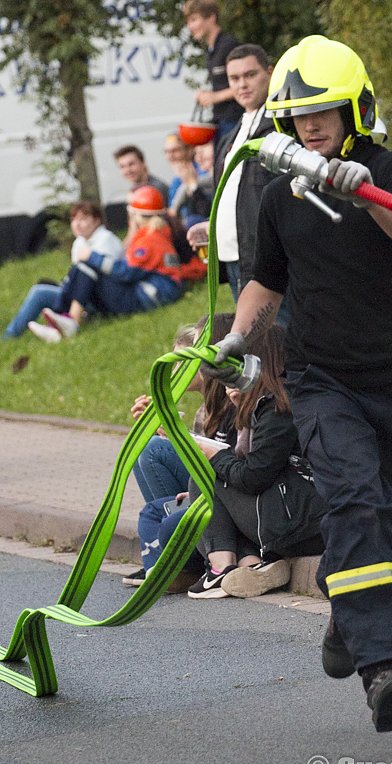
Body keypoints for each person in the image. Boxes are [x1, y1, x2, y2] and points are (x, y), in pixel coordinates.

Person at [204, 35, 392, 732]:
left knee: (378, 519)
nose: (309, 126)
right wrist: (236, 339)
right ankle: (382, 667)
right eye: (298, 114)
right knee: (354, 499)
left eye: (324, 111)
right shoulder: (278, 195)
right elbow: (264, 280)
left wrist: (361, 193)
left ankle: (346, 615)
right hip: (320, 379)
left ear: (355, 109)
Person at [186, 324, 326, 599]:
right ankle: (251, 565)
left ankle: (221, 568)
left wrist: (215, 455)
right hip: (303, 513)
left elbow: (253, 477)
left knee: (203, 478)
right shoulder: (274, 402)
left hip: (302, 524)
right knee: (193, 500)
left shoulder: (278, 408)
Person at [124, 312, 238, 589]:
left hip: (228, 485)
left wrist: (172, 431)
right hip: (212, 481)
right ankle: (167, 554)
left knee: (154, 451)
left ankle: (178, 556)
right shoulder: (206, 406)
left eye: (185, 362)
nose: (177, 371)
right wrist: (160, 424)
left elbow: (215, 454)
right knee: (146, 447)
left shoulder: (232, 396)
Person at [187, 43, 288, 325]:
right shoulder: (231, 134)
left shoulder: (284, 125)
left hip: (270, 261)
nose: (241, 84)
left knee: (282, 347)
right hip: (234, 259)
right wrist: (212, 224)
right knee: (258, 350)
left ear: (269, 73)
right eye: (234, 79)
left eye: (250, 75)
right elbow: (236, 194)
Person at [28, 186, 186, 342]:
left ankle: (70, 322)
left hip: (147, 297)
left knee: (87, 266)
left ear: (136, 215)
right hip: (153, 293)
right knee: (86, 268)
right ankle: (63, 324)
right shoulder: (156, 234)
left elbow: (127, 272)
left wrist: (92, 256)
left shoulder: (149, 239)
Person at [3, 202, 122, 338]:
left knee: (40, 293)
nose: (77, 224)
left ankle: (9, 337)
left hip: (99, 299)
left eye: (83, 219)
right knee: (43, 285)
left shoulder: (106, 240)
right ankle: (54, 325)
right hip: (83, 296)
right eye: (74, 220)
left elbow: (98, 277)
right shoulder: (80, 242)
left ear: (96, 221)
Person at [183, 0, 242, 144]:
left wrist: (215, 97)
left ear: (211, 18)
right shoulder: (211, 50)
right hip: (221, 120)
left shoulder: (228, 45)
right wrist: (205, 95)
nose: (190, 27)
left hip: (235, 120)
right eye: (188, 22)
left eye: (194, 20)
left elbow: (247, 83)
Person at [163, 133, 213, 228]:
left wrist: (192, 183)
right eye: (167, 152)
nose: (170, 156)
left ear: (189, 150)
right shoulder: (175, 181)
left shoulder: (202, 171)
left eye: (175, 151)